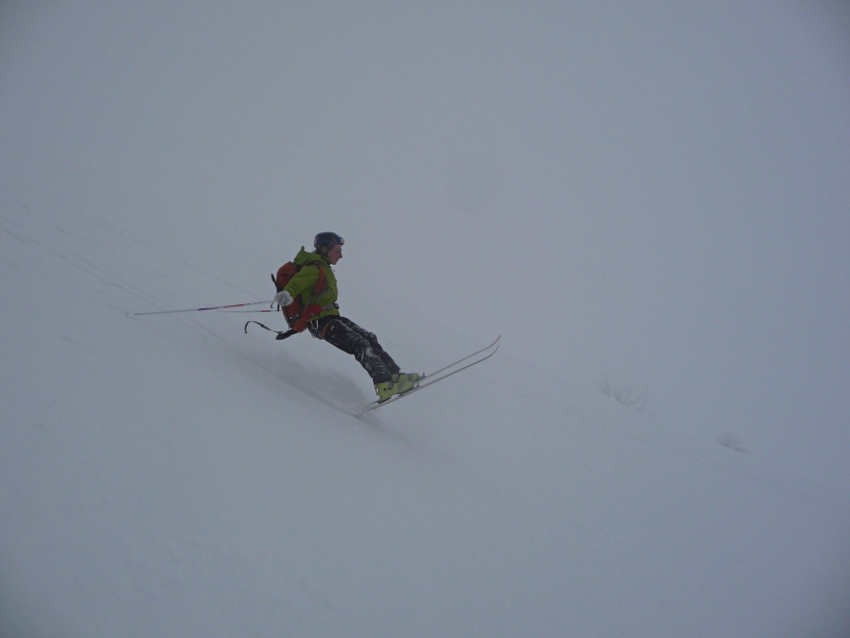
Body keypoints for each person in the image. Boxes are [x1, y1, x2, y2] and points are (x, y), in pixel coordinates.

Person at [273, 232, 421, 401]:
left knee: (369, 338)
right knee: (360, 344)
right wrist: (286, 294)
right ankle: (383, 384)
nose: (341, 255)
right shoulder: (314, 268)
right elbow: (296, 283)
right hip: (319, 321)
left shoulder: (323, 267)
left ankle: (394, 375)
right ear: (325, 249)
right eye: (337, 251)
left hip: (331, 317)